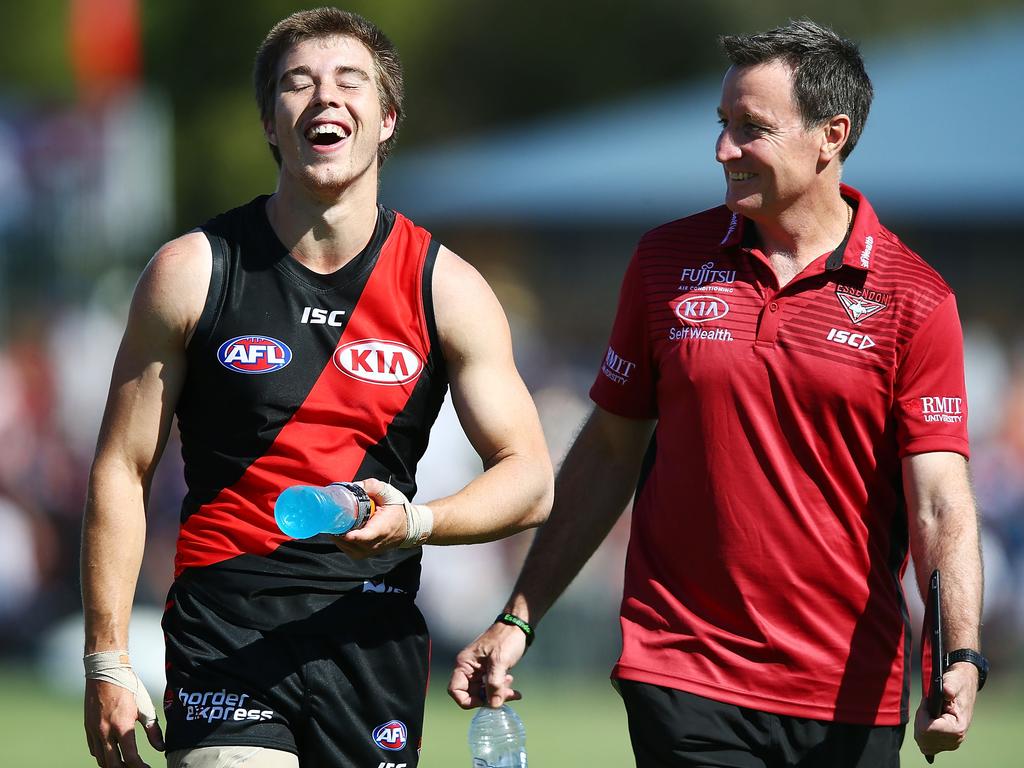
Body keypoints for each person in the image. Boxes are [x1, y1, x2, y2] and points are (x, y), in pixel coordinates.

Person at [449, 18, 985, 768]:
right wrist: (520, 618)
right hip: (681, 669)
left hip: (848, 689)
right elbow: (607, 453)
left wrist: (958, 653)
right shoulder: (664, 260)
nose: (724, 149)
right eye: (723, 123)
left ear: (831, 134)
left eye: (752, 128)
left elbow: (939, 502)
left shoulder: (915, 299)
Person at [81, 8, 553, 768]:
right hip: (226, 629)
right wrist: (106, 657)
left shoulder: (447, 288)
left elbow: (529, 478)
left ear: (387, 119)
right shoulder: (191, 271)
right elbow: (120, 466)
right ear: (272, 121)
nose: (324, 97)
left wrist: (416, 522)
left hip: (371, 634)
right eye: (298, 83)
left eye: (349, 81)